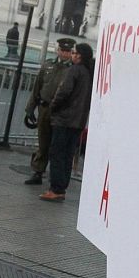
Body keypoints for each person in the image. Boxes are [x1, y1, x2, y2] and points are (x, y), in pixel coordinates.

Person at [41, 42, 93, 202]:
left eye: (77, 53)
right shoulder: (89, 73)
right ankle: (61, 187)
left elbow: (64, 91)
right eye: (73, 52)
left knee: (57, 153)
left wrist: (53, 107)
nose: (74, 55)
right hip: (78, 122)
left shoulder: (74, 70)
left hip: (64, 119)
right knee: (68, 155)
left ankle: (55, 188)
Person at [23, 38, 74, 185]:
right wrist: (30, 108)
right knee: (43, 142)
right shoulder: (48, 66)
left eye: (68, 51)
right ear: (58, 51)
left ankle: (56, 178)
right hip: (44, 109)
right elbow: (37, 89)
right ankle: (38, 172)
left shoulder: (72, 70)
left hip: (61, 112)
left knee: (57, 145)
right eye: (62, 50)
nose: (64, 54)